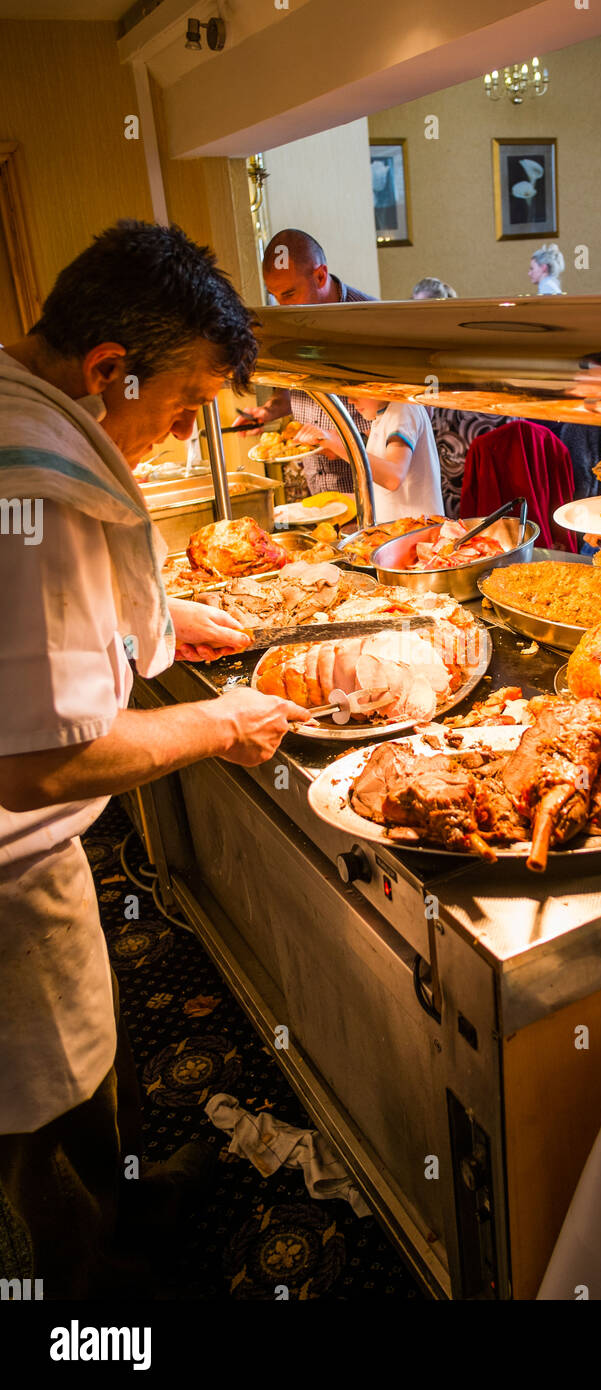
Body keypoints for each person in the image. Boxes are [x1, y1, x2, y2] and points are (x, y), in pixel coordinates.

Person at [0, 220, 309, 1297]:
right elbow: (36, 764)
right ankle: (93, 1298)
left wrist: (168, 615)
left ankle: (133, 1197)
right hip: (5, 882)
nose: (178, 442)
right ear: (105, 368)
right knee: (27, 1143)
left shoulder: (14, 404)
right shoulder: (31, 492)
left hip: (32, 872)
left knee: (81, 1082)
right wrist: (223, 721)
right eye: (178, 411)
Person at [232, 229, 376, 494]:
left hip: (369, 491)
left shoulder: (367, 322)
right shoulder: (291, 323)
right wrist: (270, 410)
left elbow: (407, 423)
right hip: (318, 490)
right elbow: (294, 392)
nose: (282, 306)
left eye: (288, 294)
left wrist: (339, 444)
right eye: (274, 296)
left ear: (320, 276)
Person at [298, 397, 443, 522]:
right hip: (398, 533)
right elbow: (384, 490)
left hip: (418, 532)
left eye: (356, 391)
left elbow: (393, 478)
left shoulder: (403, 409)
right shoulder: (380, 417)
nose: (350, 400)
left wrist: (341, 445)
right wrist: (338, 500)